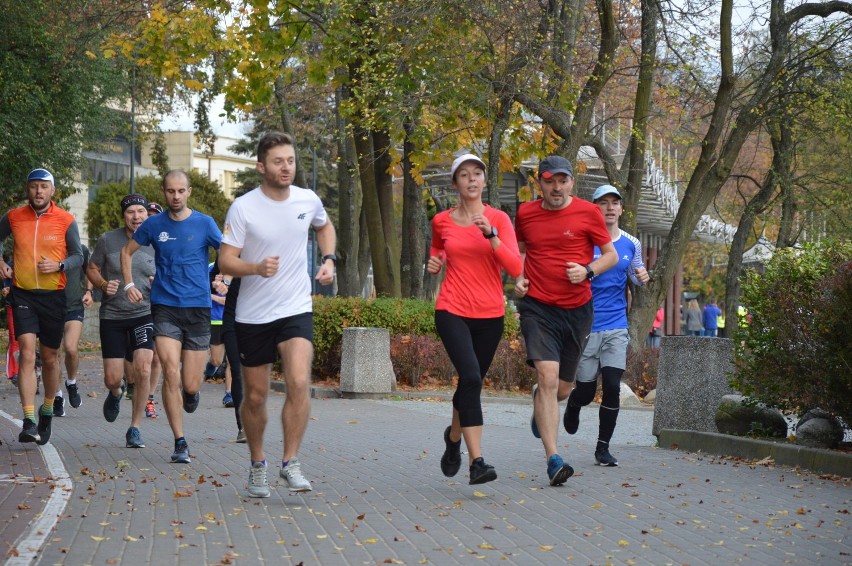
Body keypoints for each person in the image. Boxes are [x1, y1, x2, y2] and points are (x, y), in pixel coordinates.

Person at [219, 131, 336, 498]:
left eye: (290, 160)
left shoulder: (307, 198)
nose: (286, 167)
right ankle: (258, 464)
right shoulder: (243, 207)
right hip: (253, 314)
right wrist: (254, 268)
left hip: (295, 307)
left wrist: (329, 259)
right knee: (255, 396)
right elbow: (225, 260)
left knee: (299, 381)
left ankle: (290, 462)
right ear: (261, 167)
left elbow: (324, 225)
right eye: (278, 162)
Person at [515, 156, 617, 486]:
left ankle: (541, 400)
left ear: (572, 182)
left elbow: (610, 255)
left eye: (562, 180)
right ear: (539, 183)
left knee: (560, 389)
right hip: (538, 308)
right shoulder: (526, 214)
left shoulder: (588, 213)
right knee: (547, 375)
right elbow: (518, 251)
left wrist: (588, 270)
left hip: (577, 311)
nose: (556, 187)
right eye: (549, 181)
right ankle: (553, 458)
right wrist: (518, 276)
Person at [428, 154, 522, 486]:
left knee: (470, 384)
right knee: (470, 376)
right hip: (452, 309)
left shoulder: (499, 219)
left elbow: (515, 268)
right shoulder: (441, 220)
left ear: (483, 181)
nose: (471, 179)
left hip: (490, 315)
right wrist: (434, 263)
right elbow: (438, 249)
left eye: (477, 174)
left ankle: (453, 438)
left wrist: (492, 235)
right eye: (464, 175)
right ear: (455, 183)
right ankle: (477, 461)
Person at [121, 171, 222, 463]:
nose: (175, 196)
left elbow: (225, 251)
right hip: (165, 307)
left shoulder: (205, 223)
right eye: (170, 191)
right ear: (164, 192)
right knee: (169, 371)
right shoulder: (154, 224)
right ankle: (180, 441)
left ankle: (191, 394)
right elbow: (127, 253)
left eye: (180, 191)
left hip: (199, 308)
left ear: (188, 192)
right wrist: (128, 284)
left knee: (190, 383)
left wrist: (223, 276)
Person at [555, 185, 649, 467]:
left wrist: (642, 276)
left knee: (611, 385)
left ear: (621, 209)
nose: (609, 207)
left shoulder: (631, 243)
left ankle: (603, 449)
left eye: (614, 203)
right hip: (586, 327)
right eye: (603, 203)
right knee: (584, 391)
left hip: (616, 326)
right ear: (594, 208)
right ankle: (573, 404)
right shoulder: (582, 241)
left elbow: (635, 274)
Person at [0, 168, 83, 444]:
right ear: (28, 189)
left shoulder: (66, 220)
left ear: (52, 191)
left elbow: (77, 256)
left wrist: (59, 265)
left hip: (53, 297)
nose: (38, 191)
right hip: (23, 294)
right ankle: (28, 419)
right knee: (26, 353)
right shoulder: (14, 217)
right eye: (34, 186)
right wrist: (1, 261)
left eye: (43, 187)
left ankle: (47, 407)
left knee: (50, 358)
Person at [88, 194, 157, 447]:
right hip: (113, 315)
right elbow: (92, 268)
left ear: (146, 214)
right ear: (124, 216)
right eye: (131, 212)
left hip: (144, 314)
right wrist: (103, 284)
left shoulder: (154, 241)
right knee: (112, 378)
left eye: (141, 211)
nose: (136, 216)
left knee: (143, 368)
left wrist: (158, 283)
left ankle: (135, 427)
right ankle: (116, 393)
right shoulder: (108, 240)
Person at [54, 244, 92, 417]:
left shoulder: (80, 249)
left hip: (74, 307)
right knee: (53, 355)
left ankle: (71, 382)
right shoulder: (46, 245)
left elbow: (90, 270)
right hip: (50, 308)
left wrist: (89, 291)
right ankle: (57, 397)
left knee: (71, 348)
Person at [144, 201, 164, 419]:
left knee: (156, 357)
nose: (150, 219)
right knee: (136, 360)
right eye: (147, 215)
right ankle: (131, 384)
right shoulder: (136, 241)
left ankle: (149, 398)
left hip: (159, 304)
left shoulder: (164, 241)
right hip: (135, 306)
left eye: (154, 216)